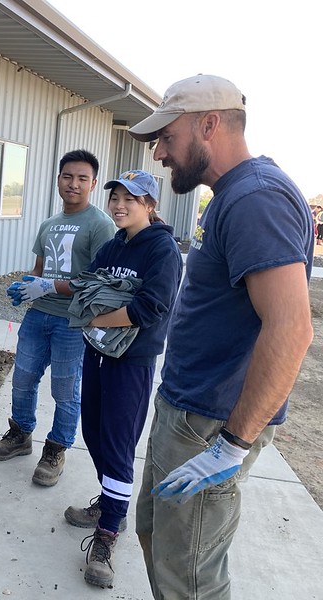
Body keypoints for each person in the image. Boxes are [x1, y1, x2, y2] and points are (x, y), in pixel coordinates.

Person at [127, 74, 314, 598]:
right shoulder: (236, 195)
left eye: (168, 136)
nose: (160, 153)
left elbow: (292, 328)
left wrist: (231, 445)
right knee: (160, 541)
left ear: (209, 124)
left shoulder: (255, 199)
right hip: (189, 411)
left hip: (207, 425)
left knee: (189, 578)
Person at [57, 170, 182, 588]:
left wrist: (96, 317)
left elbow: (152, 307)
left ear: (150, 205)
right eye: (115, 196)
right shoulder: (113, 245)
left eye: (132, 198)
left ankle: (108, 530)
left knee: (118, 439)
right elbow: (88, 283)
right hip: (97, 352)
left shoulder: (161, 249)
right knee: (92, 430)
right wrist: (50, 287)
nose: (120, 204)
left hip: (132, 359)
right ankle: (111, 501)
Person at [0, 150, 116, 487]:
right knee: (23, 379)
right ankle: (20, 435)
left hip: (73, 324)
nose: (74, 184)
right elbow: (39, 272)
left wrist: (50, 286)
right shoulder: (49, 224)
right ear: (58, 179)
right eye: (68, 177)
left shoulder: (101, 225)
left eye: (82, 178)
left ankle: (56, 449)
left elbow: (101, 285)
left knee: (65, 390)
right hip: (38, 317)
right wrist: (23, 288)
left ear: (93, 183)